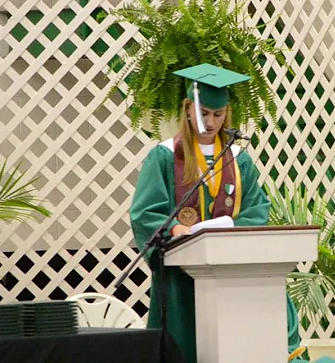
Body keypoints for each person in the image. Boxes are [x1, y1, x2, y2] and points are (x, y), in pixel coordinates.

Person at [129, 64, 310, 363]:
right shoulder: (163, 156)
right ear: (188, 110)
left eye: (218, 114)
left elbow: (257, 208)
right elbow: (145, 211)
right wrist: (176, 229)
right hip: (182, 277)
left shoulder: (240, 160)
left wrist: (231, 226)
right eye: (204, 113)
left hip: (231, 271)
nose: (211, 122)